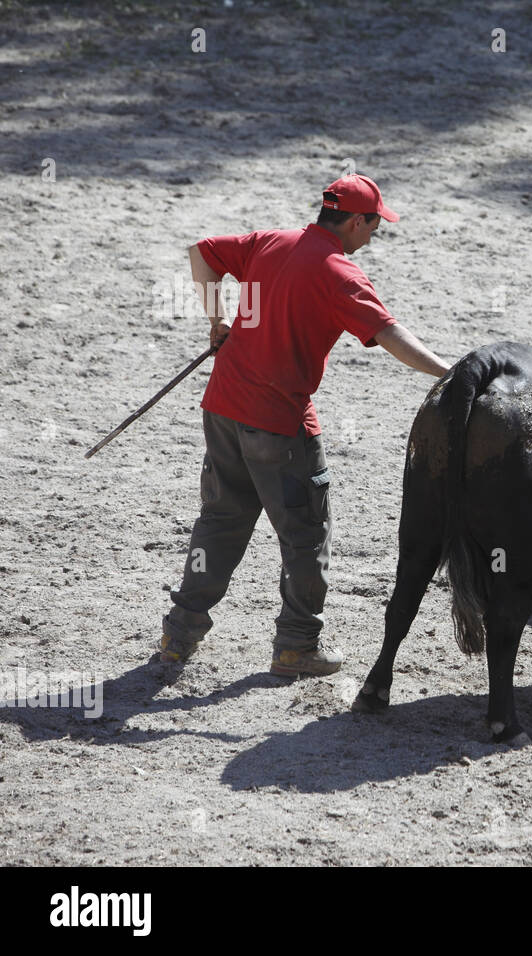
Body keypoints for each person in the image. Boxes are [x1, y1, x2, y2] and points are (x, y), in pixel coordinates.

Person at [159, 174, 453, 675]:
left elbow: (200, 252)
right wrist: (451, 372)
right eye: (376, 223)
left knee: (220, 521)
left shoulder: (270, 242)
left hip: (223, 408)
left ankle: (179, 635)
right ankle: (296, 645)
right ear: (357, 220)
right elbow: (391, 337)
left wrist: (216, 319)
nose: (376, 233)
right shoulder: (340, 275)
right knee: (307, 534)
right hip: (278, 423)